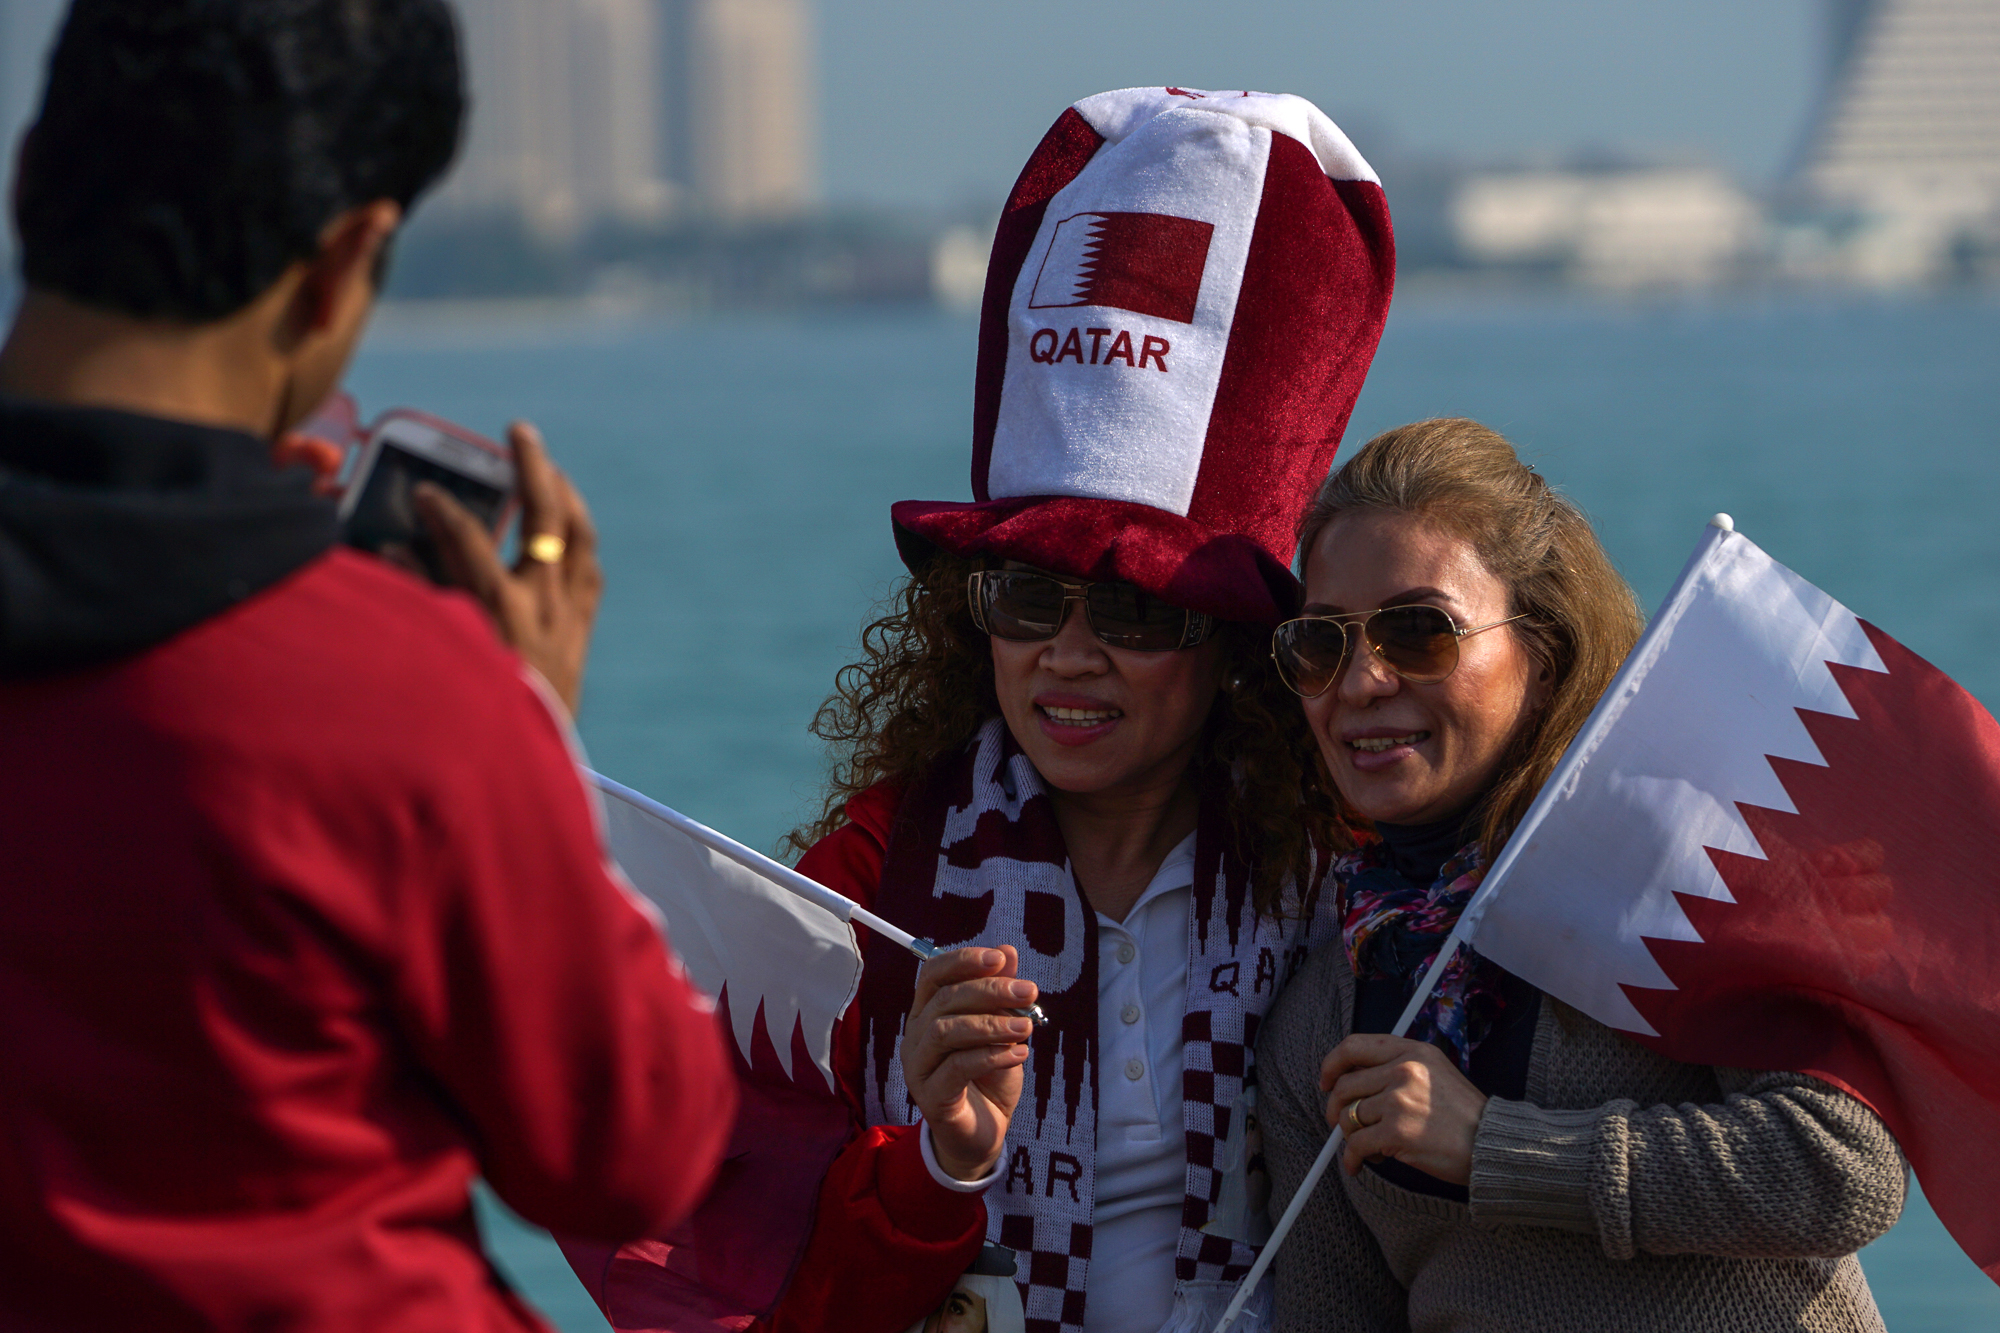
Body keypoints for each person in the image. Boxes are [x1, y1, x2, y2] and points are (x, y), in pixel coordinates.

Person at [0, 3, 735, 1329]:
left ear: (29, 176)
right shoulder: (410, 699)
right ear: (344, 263)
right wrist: (528, 737)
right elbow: (639, 1147)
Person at [748, 87, 1395, 1333]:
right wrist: (939, 1162)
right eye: (1030, 598)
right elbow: (773, 1290)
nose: (1071, 656)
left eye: (1140, 613)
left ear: (1234, 647)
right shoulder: (870, 889)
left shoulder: (1348, 879)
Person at [1255, 419, 1907, 1331]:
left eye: (1418, 631)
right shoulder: (1323, 1015)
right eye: (1321, 643)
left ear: (1543, 645)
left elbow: (1842, 1170)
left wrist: (1496, 1146)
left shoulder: (1682, 873)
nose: (1361, 681)